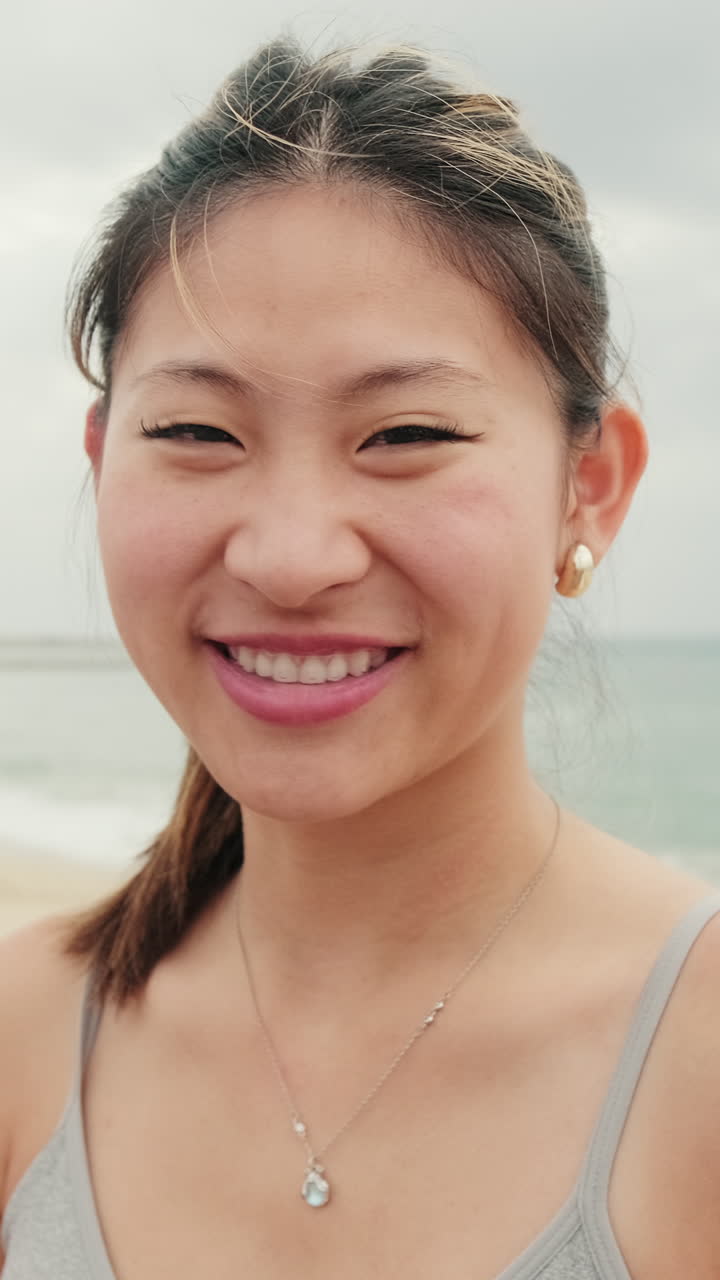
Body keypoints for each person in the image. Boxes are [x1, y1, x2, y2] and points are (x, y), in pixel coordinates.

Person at [1, 33, 718, 1280]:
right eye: (196, 429)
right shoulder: (22, 1030)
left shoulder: (693, 1061)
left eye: (404, 432)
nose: (289, 555)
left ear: (587, 489)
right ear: (103, 454)